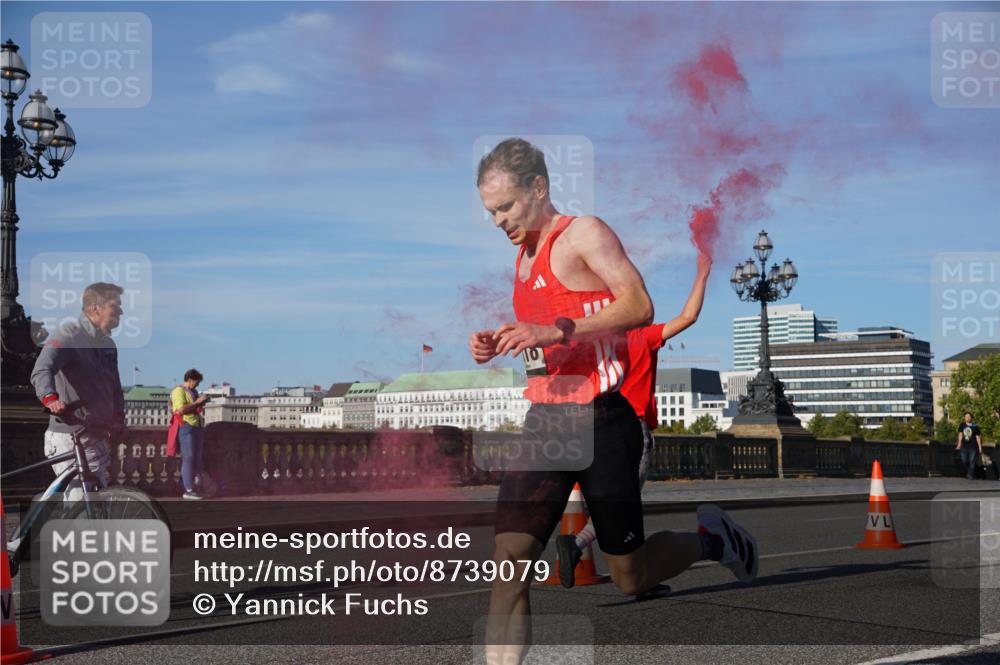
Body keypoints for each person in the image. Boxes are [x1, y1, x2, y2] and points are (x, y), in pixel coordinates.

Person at [469, 138, 757, 663]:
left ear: (539, 187)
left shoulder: (584, 233)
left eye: (506, 206)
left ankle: (713, 540)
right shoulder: (523, 257)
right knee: (508, 564)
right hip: (546, 424)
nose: (498, 221)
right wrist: (498, 341)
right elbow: (548, 341)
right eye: (491, 211)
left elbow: (639, 305)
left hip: (602, 422)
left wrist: (556, 330)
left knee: (630, 575)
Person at [556, 252, 714, 590]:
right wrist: (702, 274)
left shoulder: (595, 343)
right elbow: (688, 317)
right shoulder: (642, 336)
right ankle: (581, 546)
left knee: (613, 503)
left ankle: (632, 573)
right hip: (632, 427)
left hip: (595, 426)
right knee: (623, 505)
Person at [30, 282, 126, 500]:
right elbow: (42, 369)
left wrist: (118, 418)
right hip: (69, 435)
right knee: (81, 503)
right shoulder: (69, 335)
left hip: (96, 436)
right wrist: (50, 398)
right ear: (95, 308)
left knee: (96, 505)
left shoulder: (108, 345)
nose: (121, 311)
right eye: (115, 305)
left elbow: (115, 388)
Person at [169, 368, 210, 500]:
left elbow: (194, 408)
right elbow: (181, 410)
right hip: (185, 426)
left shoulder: (194, 392)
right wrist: (197, 402)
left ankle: (196, 488)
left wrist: (201, 403)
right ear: (190, 379)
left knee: (197, 458)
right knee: (188, 457)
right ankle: (188, 490)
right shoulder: (178, 391)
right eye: (196, 382)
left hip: (197, 426)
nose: (197, 385)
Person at [955, 411, 983, 480]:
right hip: (964, 446)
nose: (967, 418)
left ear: (971, 418)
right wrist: (959, 444)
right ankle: (969, 472)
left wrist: (980, 447)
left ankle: (970, 474)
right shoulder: (962, 425)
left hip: (973, 447)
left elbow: (978, 437)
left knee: (972, 461)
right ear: (964, 418)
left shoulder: (975, 426)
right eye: (966, 416)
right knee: (964, 461)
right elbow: (960, 435)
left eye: (968, 416)